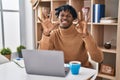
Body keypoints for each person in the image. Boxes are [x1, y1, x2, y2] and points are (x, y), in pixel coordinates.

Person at [38, 4, 103, 68]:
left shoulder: (81, 33)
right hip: (62, 71)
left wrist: (86, 36)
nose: (65, 18)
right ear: (58, 17)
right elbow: (42, 56)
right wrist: (46, 34)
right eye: (62, 15)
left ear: (73, 19)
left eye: (68, 16)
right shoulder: (54, 34)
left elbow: (99, 59)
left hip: (81, 71)